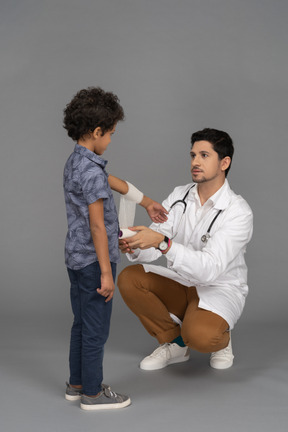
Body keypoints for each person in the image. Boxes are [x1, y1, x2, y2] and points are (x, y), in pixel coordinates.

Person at [62, 87, 167, 410]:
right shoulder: (92, 172)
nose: (110, 140)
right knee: (96, 329)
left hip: (76, 259)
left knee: (81, 322)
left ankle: (76, 383)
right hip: (96, 262)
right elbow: (97, 225)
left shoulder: (77, 162)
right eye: (110, 134)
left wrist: (146, 201)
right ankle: (92, 394)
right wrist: (107, 273)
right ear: (96, 132)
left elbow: (110, 180)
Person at [118, 128, 253, 371]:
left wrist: (163, 243)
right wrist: (135, 244)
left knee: (201, 336)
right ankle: (175, 343)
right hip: (182, 282)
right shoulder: (179, 196)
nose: (195, 162)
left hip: (219, 288)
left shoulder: (238, 211)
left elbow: (209, 270)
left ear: (224, 163)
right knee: (130, 279)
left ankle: (222, 335)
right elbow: (155, 244)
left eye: (204, 155)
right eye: (192, 155)